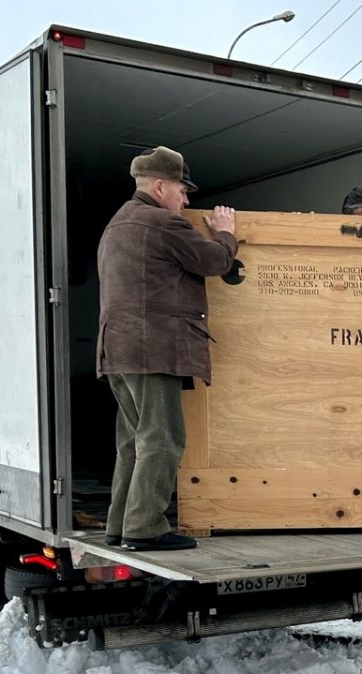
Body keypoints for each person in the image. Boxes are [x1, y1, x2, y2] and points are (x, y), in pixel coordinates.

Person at [97, 146, 238, 552]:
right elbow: (213, 261)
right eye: (182, 190)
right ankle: (144, 529)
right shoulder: (161, 222)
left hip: (118, 352)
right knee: (163, 439)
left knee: (134, 442)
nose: (186, 200)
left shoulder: (118, 223)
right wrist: (226, 233)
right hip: (151, 350)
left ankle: (120, 526)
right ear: (160, 186)